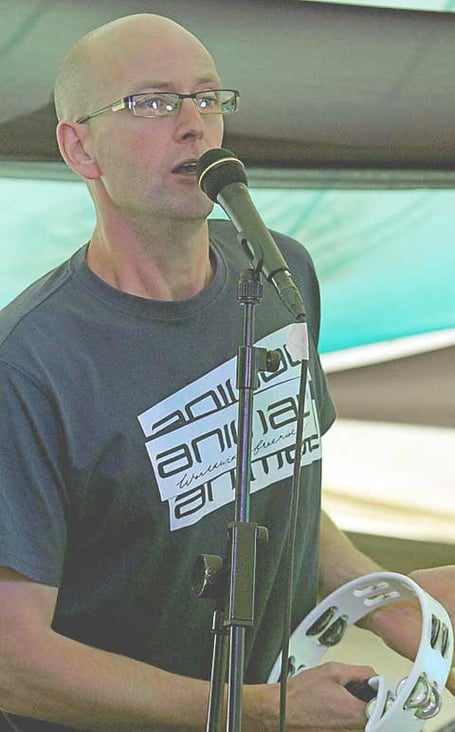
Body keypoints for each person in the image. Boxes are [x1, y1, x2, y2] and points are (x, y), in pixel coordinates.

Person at [0, 12, 453, 731]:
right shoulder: (30, 363)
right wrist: (258, 710)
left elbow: (274, 481)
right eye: (152, 102)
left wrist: (380, 597)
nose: (193, 125)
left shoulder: (279, 271)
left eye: (208, 98)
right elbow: (12, 661)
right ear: (79, 147)